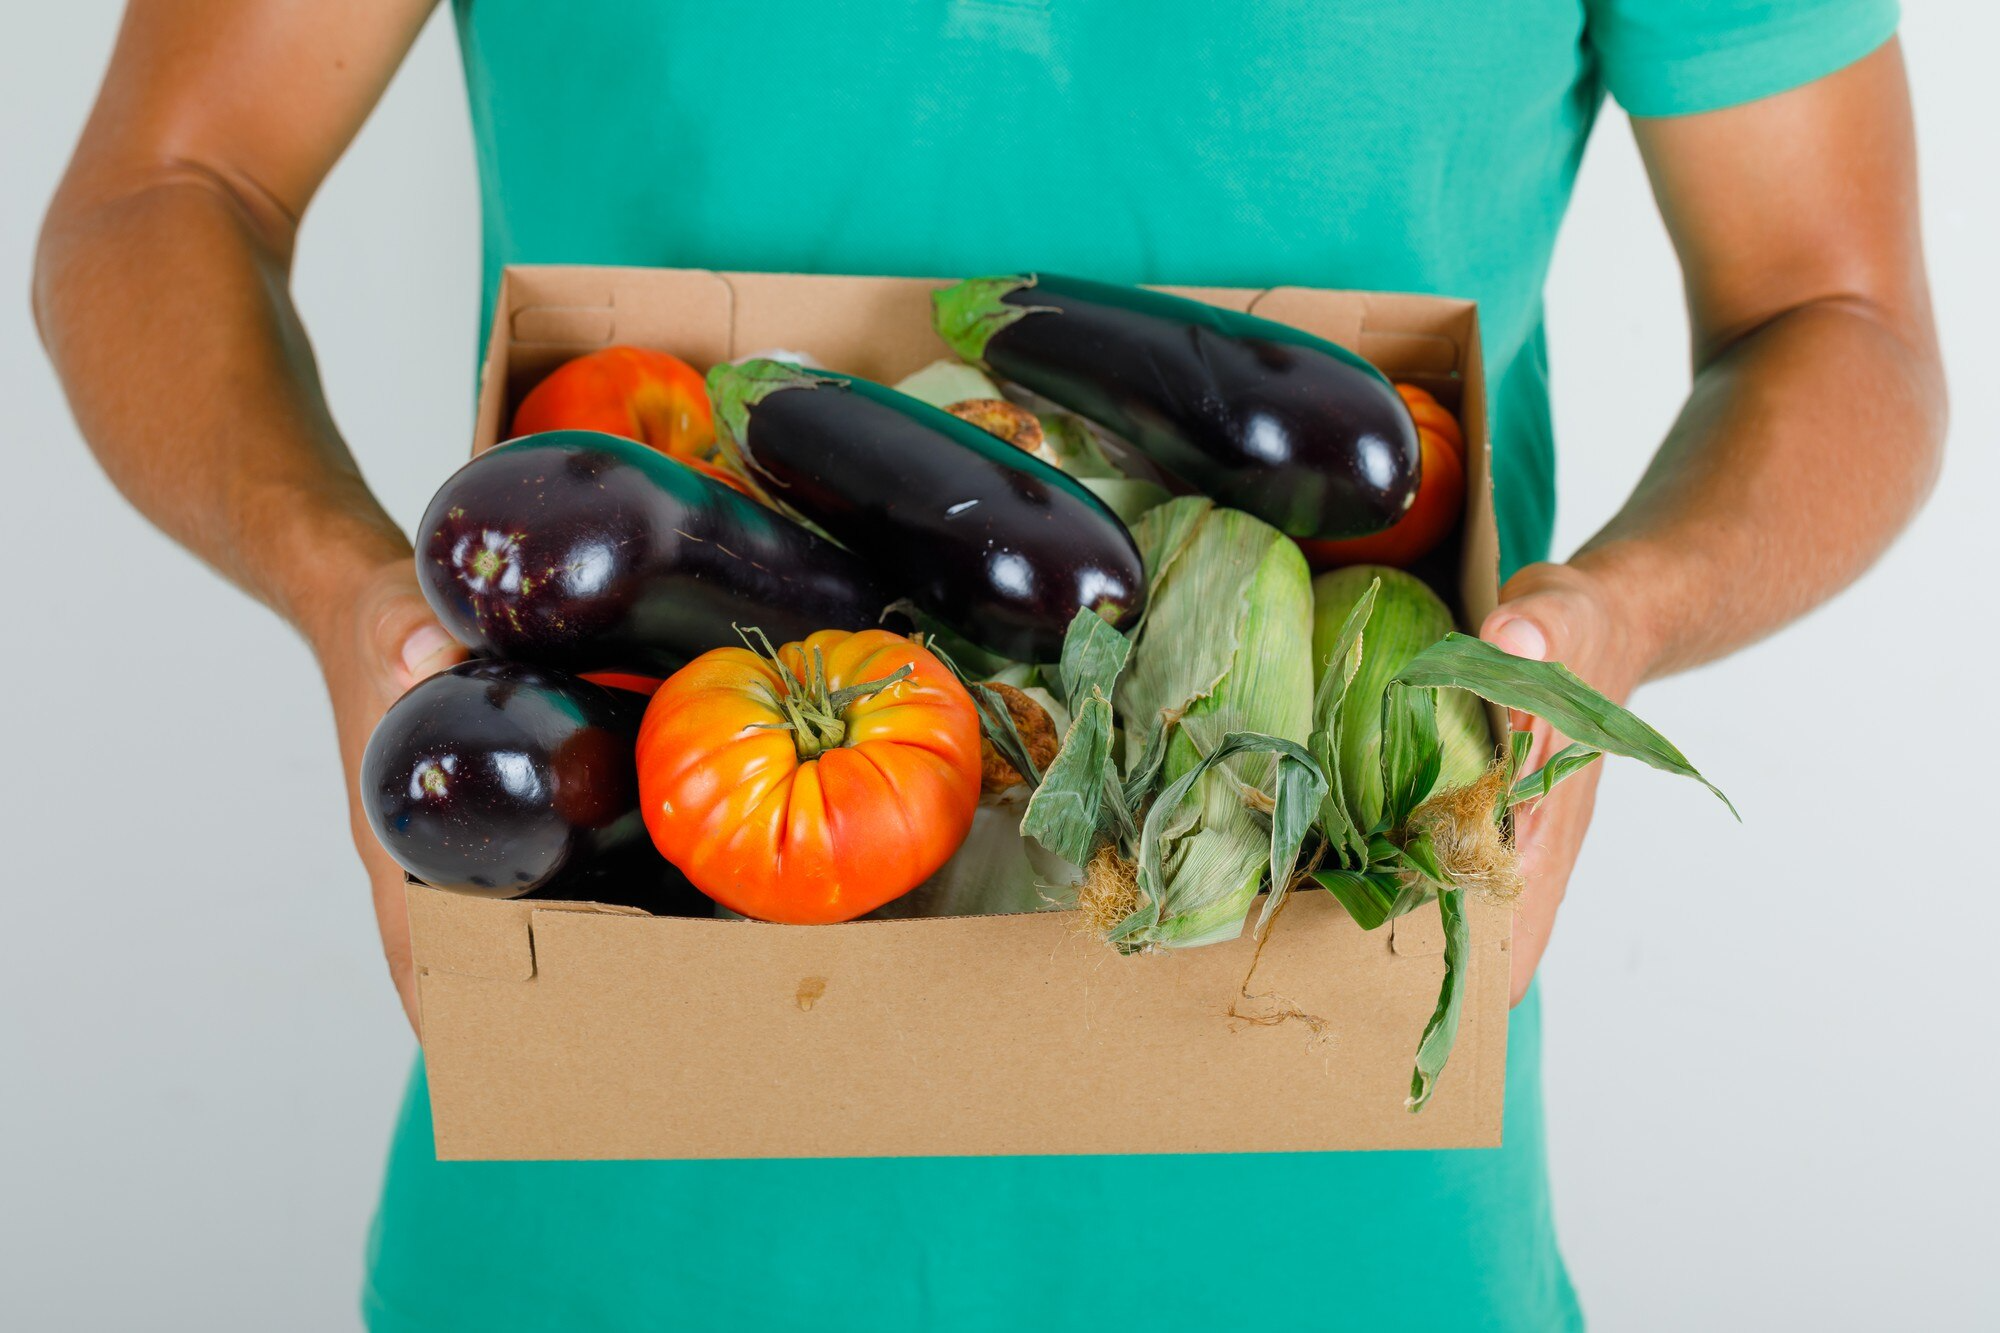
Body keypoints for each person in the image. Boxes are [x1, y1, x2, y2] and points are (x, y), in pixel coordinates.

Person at [35, 2, 1942, 1328]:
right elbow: (166, 183)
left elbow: (1834, 311)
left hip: (1331, 1249)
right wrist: (340, 596)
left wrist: (1603, 626)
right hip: (601, 1236)